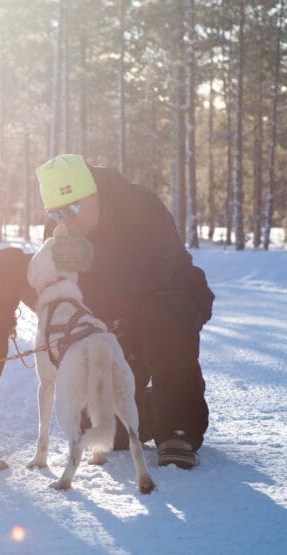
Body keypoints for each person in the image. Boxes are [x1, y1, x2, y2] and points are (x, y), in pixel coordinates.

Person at [35, 154, 214, 469]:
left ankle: (177, 426)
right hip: (115, 316)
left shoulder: (141, 206)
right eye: (56, 212)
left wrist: (95, 260)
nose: (66, 221)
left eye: (73, 209)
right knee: (108, 435)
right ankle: (150, 408)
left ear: (94, 196)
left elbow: (157, 271)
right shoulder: (62, 230)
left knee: (165, 317)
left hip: (169, 300)